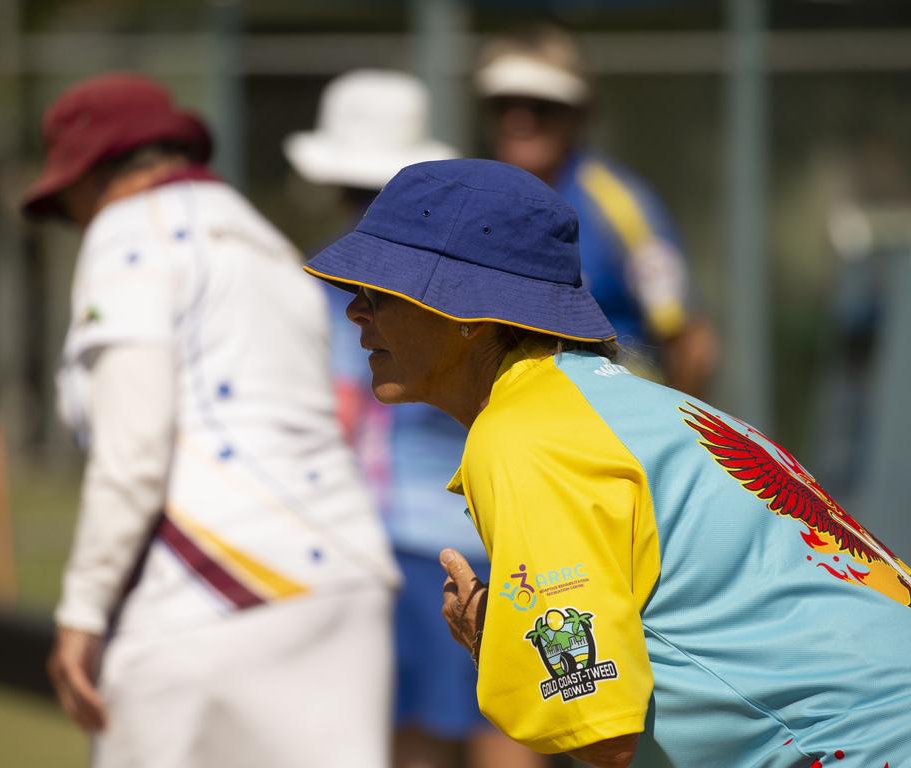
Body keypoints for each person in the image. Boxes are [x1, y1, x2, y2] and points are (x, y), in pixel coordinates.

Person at [302, 157, 911, 767]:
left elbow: (600, 734)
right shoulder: (626, 405)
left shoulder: (524, 434)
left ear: (469, 314)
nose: (356, 310)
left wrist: (499, 644)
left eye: (380, 291)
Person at [21, 73, 399, 768]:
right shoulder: (265, 239)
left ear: (96, 172)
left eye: (66, 197)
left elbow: (133, 450)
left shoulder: (127, 232)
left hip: (211, 586)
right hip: (346, 578)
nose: (71, 218)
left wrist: (82, 609)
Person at [284, 69, 541, 768]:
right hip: (508, 524)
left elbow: (339, 413)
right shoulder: (474, 271)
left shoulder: (349, 284)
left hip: (397, 536)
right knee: (513, 716)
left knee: (412, 734)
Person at [476, 26, 717, 396]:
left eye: (542, 106)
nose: (519, 121)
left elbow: (689, 343)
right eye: (504, 104)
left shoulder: (619, 206)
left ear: (580, 114)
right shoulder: (469, 199)